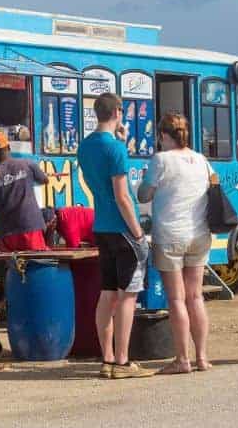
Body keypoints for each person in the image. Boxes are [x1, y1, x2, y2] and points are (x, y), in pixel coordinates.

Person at [77, 92, 153, 380]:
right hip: (123, 228)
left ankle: (107, 358)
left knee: (107, 294)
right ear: (118, 112)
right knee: (128, 297)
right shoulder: (117, 150)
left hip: (102, 227)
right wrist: (138, 233)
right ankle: (123, 361)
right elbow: (122, 196)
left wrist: (119, 140)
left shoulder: (85, 147)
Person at [137, 112, 212, 374]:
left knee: (176, 299)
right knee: (196, 297)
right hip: (200, 234)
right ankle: (202, 357)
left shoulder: (161, 160)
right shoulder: (201, 160)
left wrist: (146, 183)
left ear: (163, 135)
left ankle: (182, 359)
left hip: (170, 235)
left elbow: (143, 193)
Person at [0, 131, 49, 252]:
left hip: (6, 233)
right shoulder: (27, 163)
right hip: (30, 226)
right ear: (9, 147)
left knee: (13, 267)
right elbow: (44, 180)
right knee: (37, 263)